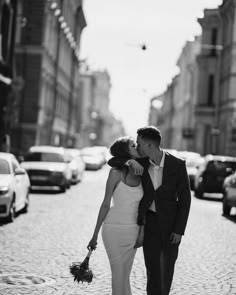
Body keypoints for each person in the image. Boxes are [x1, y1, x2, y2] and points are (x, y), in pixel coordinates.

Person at [108, 126, 191, 295]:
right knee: (152, 270)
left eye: (139, 144)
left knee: (167, 270)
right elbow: (113, 161)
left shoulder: (178, 164)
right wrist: (129, 161)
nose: (137, 147)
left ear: (149, 145)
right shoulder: (141, 164)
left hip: (171, 228)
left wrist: (178, 230)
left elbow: (185, 200)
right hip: (150, 225)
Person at [87, 136, 144, 295]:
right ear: (126, 152)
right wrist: (94, 235)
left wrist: (141, 232)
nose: (137, 146)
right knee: (118, 275)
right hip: (113, 231)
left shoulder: (143, 171)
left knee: (124, 276)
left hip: (133, 231)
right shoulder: (115, 173)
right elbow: (105, 204)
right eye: (133, 145)